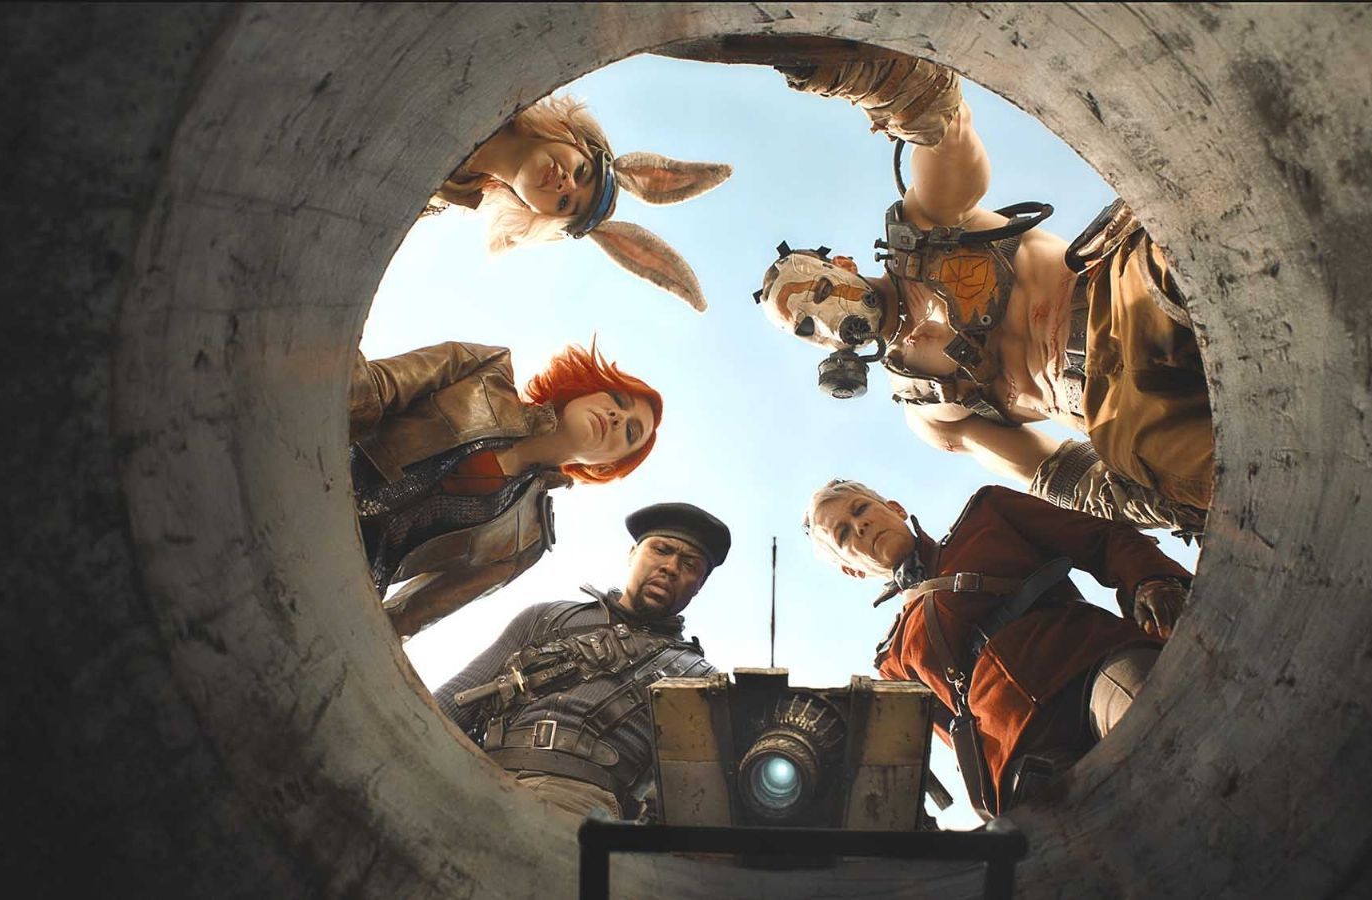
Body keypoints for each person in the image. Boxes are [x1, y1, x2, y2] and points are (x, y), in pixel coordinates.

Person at [752, 51, 1212, 536]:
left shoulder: (927, 227)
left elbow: (945, 131)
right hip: (1118, 415)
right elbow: (1053, 473)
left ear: (843, 264)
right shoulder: (926, 411)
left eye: (822, 290)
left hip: (1119, 297)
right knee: (1219, 477)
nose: (826, 319)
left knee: (1196, 262)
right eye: (807, 327)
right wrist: (1161, 502)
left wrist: (874, 76)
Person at [803, 478, 1192, 816]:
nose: (860, 525)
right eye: (843, 534)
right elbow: (953, 737)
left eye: (861, 509)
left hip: (1093, 664)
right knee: (1082, 847)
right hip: (1023, 757)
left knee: (1160, 732)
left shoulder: (988, 515)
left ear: (895, 508)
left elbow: (1101, 539)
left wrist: (1150, 579)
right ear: (851, 570)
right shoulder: (893, 661)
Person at [433, 502, 731, 821]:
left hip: (579, 799)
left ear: (699, 585)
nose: (670, 567)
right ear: (633, 554)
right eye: (661, 550)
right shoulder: (546, 617)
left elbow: (686, 793)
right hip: (479, 774)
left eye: (689, 564)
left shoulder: (697, 678)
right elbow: (454, 702)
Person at [349, 339, 662, 639]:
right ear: (588, 390)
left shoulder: (527, 540)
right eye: (617, 400)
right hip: (329, 469)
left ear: (604, 466)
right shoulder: (484, 371)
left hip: (351, 570)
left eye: (631, 432)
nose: (618, 417)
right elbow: (367, 389)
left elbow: (409, 616)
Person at [424, 92, 733, 310]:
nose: (566, 184)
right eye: (582, 171)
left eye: (564, 204)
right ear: (576, 144)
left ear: (537, 214)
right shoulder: (513, 80)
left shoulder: (442, 191)